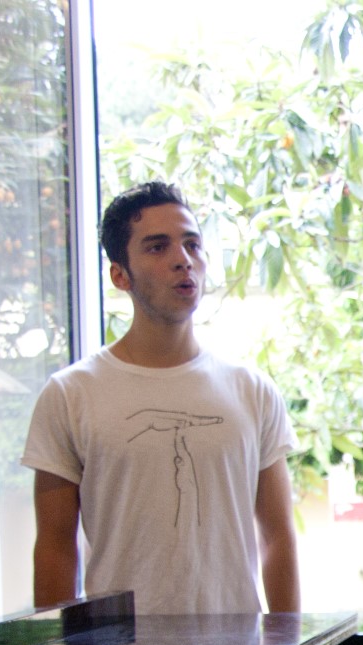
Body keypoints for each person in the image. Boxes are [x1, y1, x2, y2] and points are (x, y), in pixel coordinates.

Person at [22, 181, 300, 615]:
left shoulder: (252, 391)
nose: (182, 260)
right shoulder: (70, 394)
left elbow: (277, 537)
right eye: (157, 247)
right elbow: (56, 547)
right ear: (120, 275)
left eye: (192, 244)